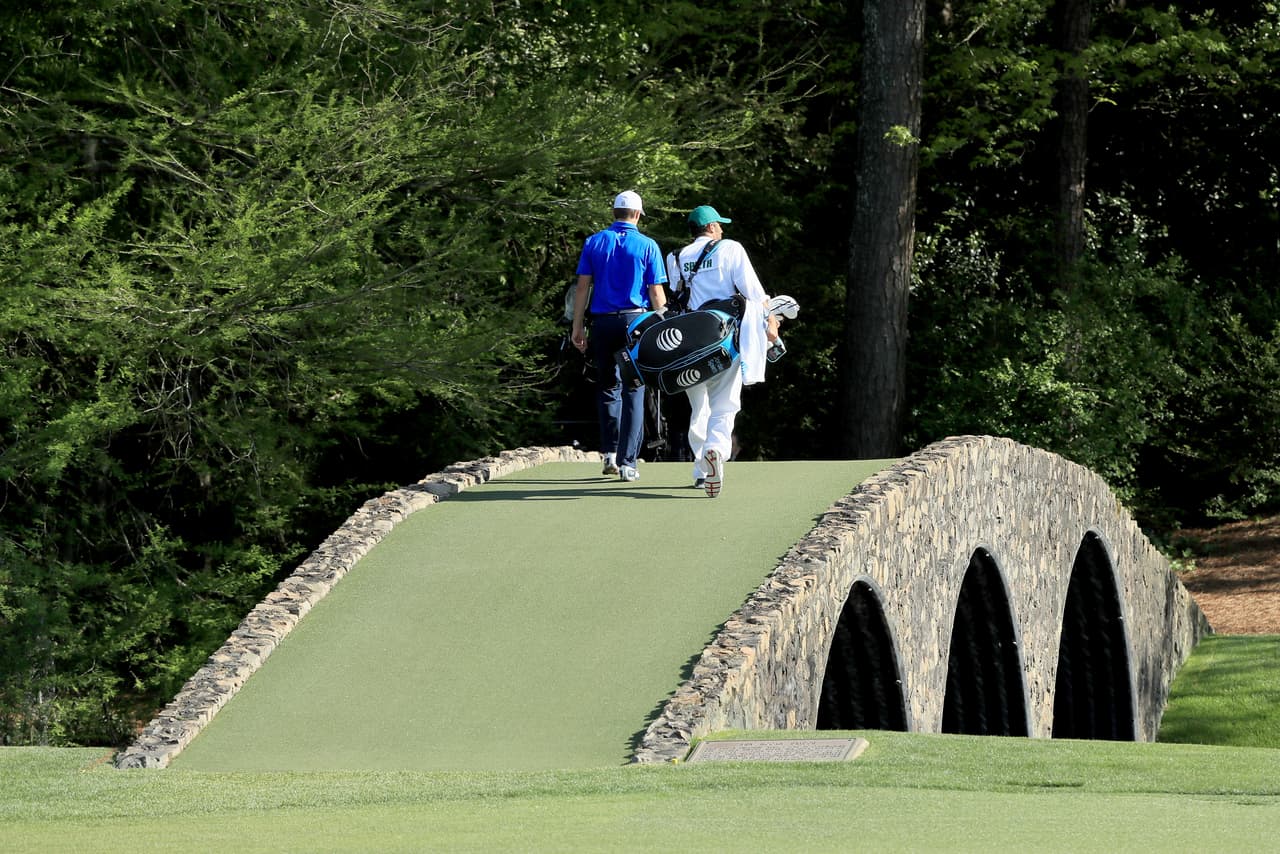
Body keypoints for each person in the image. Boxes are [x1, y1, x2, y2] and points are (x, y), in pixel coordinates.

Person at [665, 204, 780, 498]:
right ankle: (715, 449)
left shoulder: (674, 257)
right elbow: (754, 294)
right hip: (723, 340)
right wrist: (771, 319)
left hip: (686, 343)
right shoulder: (730, 249)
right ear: (712, 227)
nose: (723, 229)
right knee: (724, 404)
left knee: (698, 406)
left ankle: (701, 469)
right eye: (720, 224)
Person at [571, 191, 668, 482]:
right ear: (637, 215)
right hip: (635, 321)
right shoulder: (648, 245)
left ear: (613, 212)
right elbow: (655, 293)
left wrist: (577, 326)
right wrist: (664, 328)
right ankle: (629, 464)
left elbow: (582, 288)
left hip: (602, 323)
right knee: (634, 390)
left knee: (607, 387)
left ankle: (609, 455)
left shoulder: (594, 241)